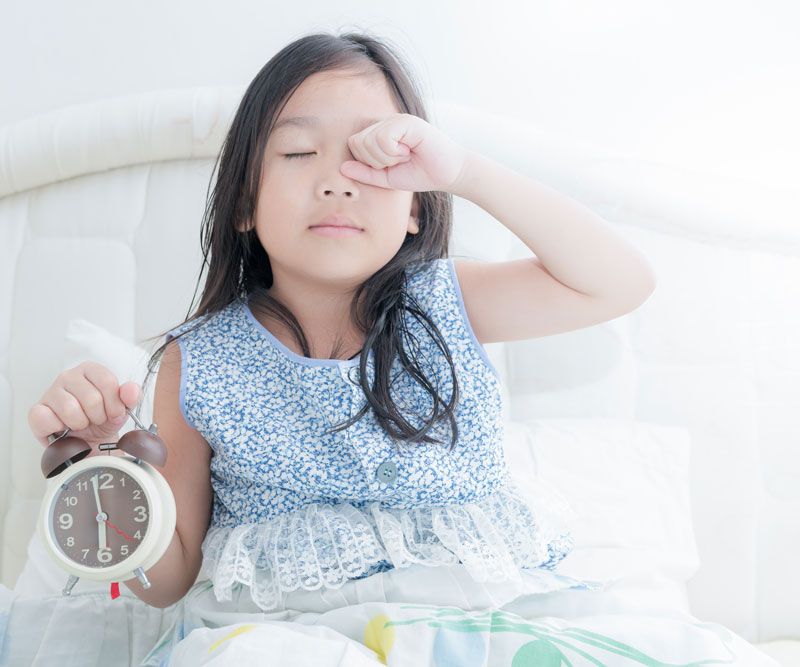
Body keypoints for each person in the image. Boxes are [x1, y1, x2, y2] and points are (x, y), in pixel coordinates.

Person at [26, 29, 656, 662]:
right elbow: (166, 583)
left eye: (375, 158)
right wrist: (106, 466)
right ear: (244, 201)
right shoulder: (196, 361)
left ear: (414, 207)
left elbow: (618, 283)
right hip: (285, 635)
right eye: (299, 151)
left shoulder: (446, 300)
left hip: (475, 623)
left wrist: (463, 171)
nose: (336, 182)